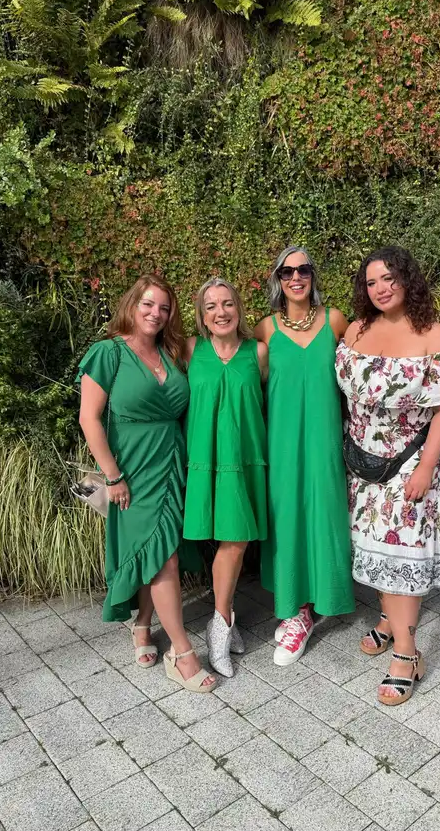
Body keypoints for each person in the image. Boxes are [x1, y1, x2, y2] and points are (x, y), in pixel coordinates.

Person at [336, 246, 440, 705]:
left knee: (403, 558)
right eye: (371, 282)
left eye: (389, 278)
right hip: (363, 464)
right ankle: (388, 619)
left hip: (411, 465)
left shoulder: (433, 334)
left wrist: (424, 468)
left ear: (407, 280)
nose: (380, 288)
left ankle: (406, 654)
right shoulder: (356, 330)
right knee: (376, 550)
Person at [77, 274, 215, 693]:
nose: (156, 313)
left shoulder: (172, 352)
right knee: (162, 557)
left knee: (161, 548)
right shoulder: (108, 352)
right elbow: (89, 419)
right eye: (148, 304)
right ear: (132, 305)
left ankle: (142, 623)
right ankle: (182, 653)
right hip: (131, 470)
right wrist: (113, 476)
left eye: (164, 308)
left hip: (171, 463)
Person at [255, 246, 355, 666]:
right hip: (280, 443)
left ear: (313, 275)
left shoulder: (335, 321)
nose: (296, 277)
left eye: (303, 269)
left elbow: (364, 370)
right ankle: (296, 611)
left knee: (324, 517)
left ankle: (319, 603)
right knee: (287, 520)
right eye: (287, 271)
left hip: (324, 440)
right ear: (277, 279)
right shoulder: (265, 329)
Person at [183, 278, 268, 677]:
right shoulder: (189, 350)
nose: (221, 312)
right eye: (211, 306)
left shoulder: (258, 352)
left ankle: (219, 625)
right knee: (228, 542)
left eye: (228, 303)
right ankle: (224, 620)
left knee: (235, 541)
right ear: (202, 316)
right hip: (203, 460)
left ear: (239, 309)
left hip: (244, 460)